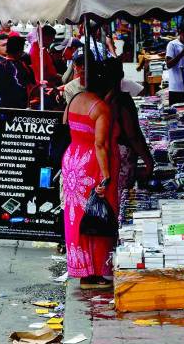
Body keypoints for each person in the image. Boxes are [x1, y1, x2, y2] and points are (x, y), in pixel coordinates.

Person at [62, 60, 120, 289]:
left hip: (73, 159)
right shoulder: (101, 108)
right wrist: (106, 177)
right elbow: (101, 145)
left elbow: (65, 122)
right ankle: (94, 272)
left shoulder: (75, 99)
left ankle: (82, 268)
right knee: (98, 213)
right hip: (91, 164)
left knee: (77, 215)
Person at [104, 58, 155, 199]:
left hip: (105, 158)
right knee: (120, 198)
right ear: (121, 74)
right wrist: (148, 161)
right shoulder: (121, 101)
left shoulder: (97, 99)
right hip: (121, 159)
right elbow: (133, 135)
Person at [0, 35, 35, 112]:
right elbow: (33, 86)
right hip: (20, 110)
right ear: (20, 51)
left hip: (0, 110)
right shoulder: (25, 67)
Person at [165, 24, 184, 105]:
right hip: (176, 88)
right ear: (180, 32)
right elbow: (168, 64)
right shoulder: (172, 45)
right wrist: (182, 53)